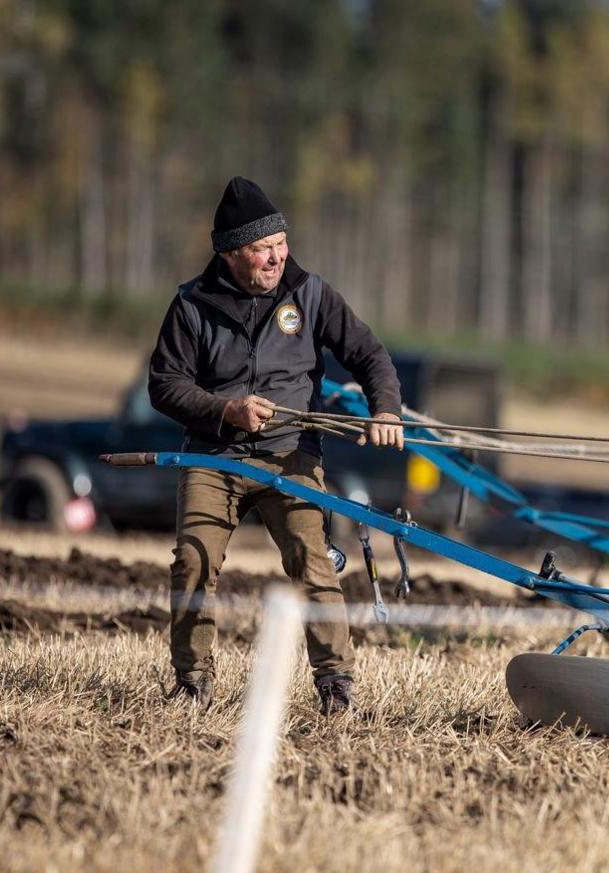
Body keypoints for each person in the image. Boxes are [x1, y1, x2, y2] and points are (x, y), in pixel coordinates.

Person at [148, 176, 405, 715]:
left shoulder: (311, 293)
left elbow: (370, 355)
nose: (276, 257)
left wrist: (385, 410)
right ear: (231, 253)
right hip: (212, 455)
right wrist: (225, 410)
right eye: (263, 248)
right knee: (192, 562)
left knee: (313, 563)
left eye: (281, 244)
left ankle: (336, 685)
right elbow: (165, 385)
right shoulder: (191, 305)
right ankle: (192, 682)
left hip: (291, 453)